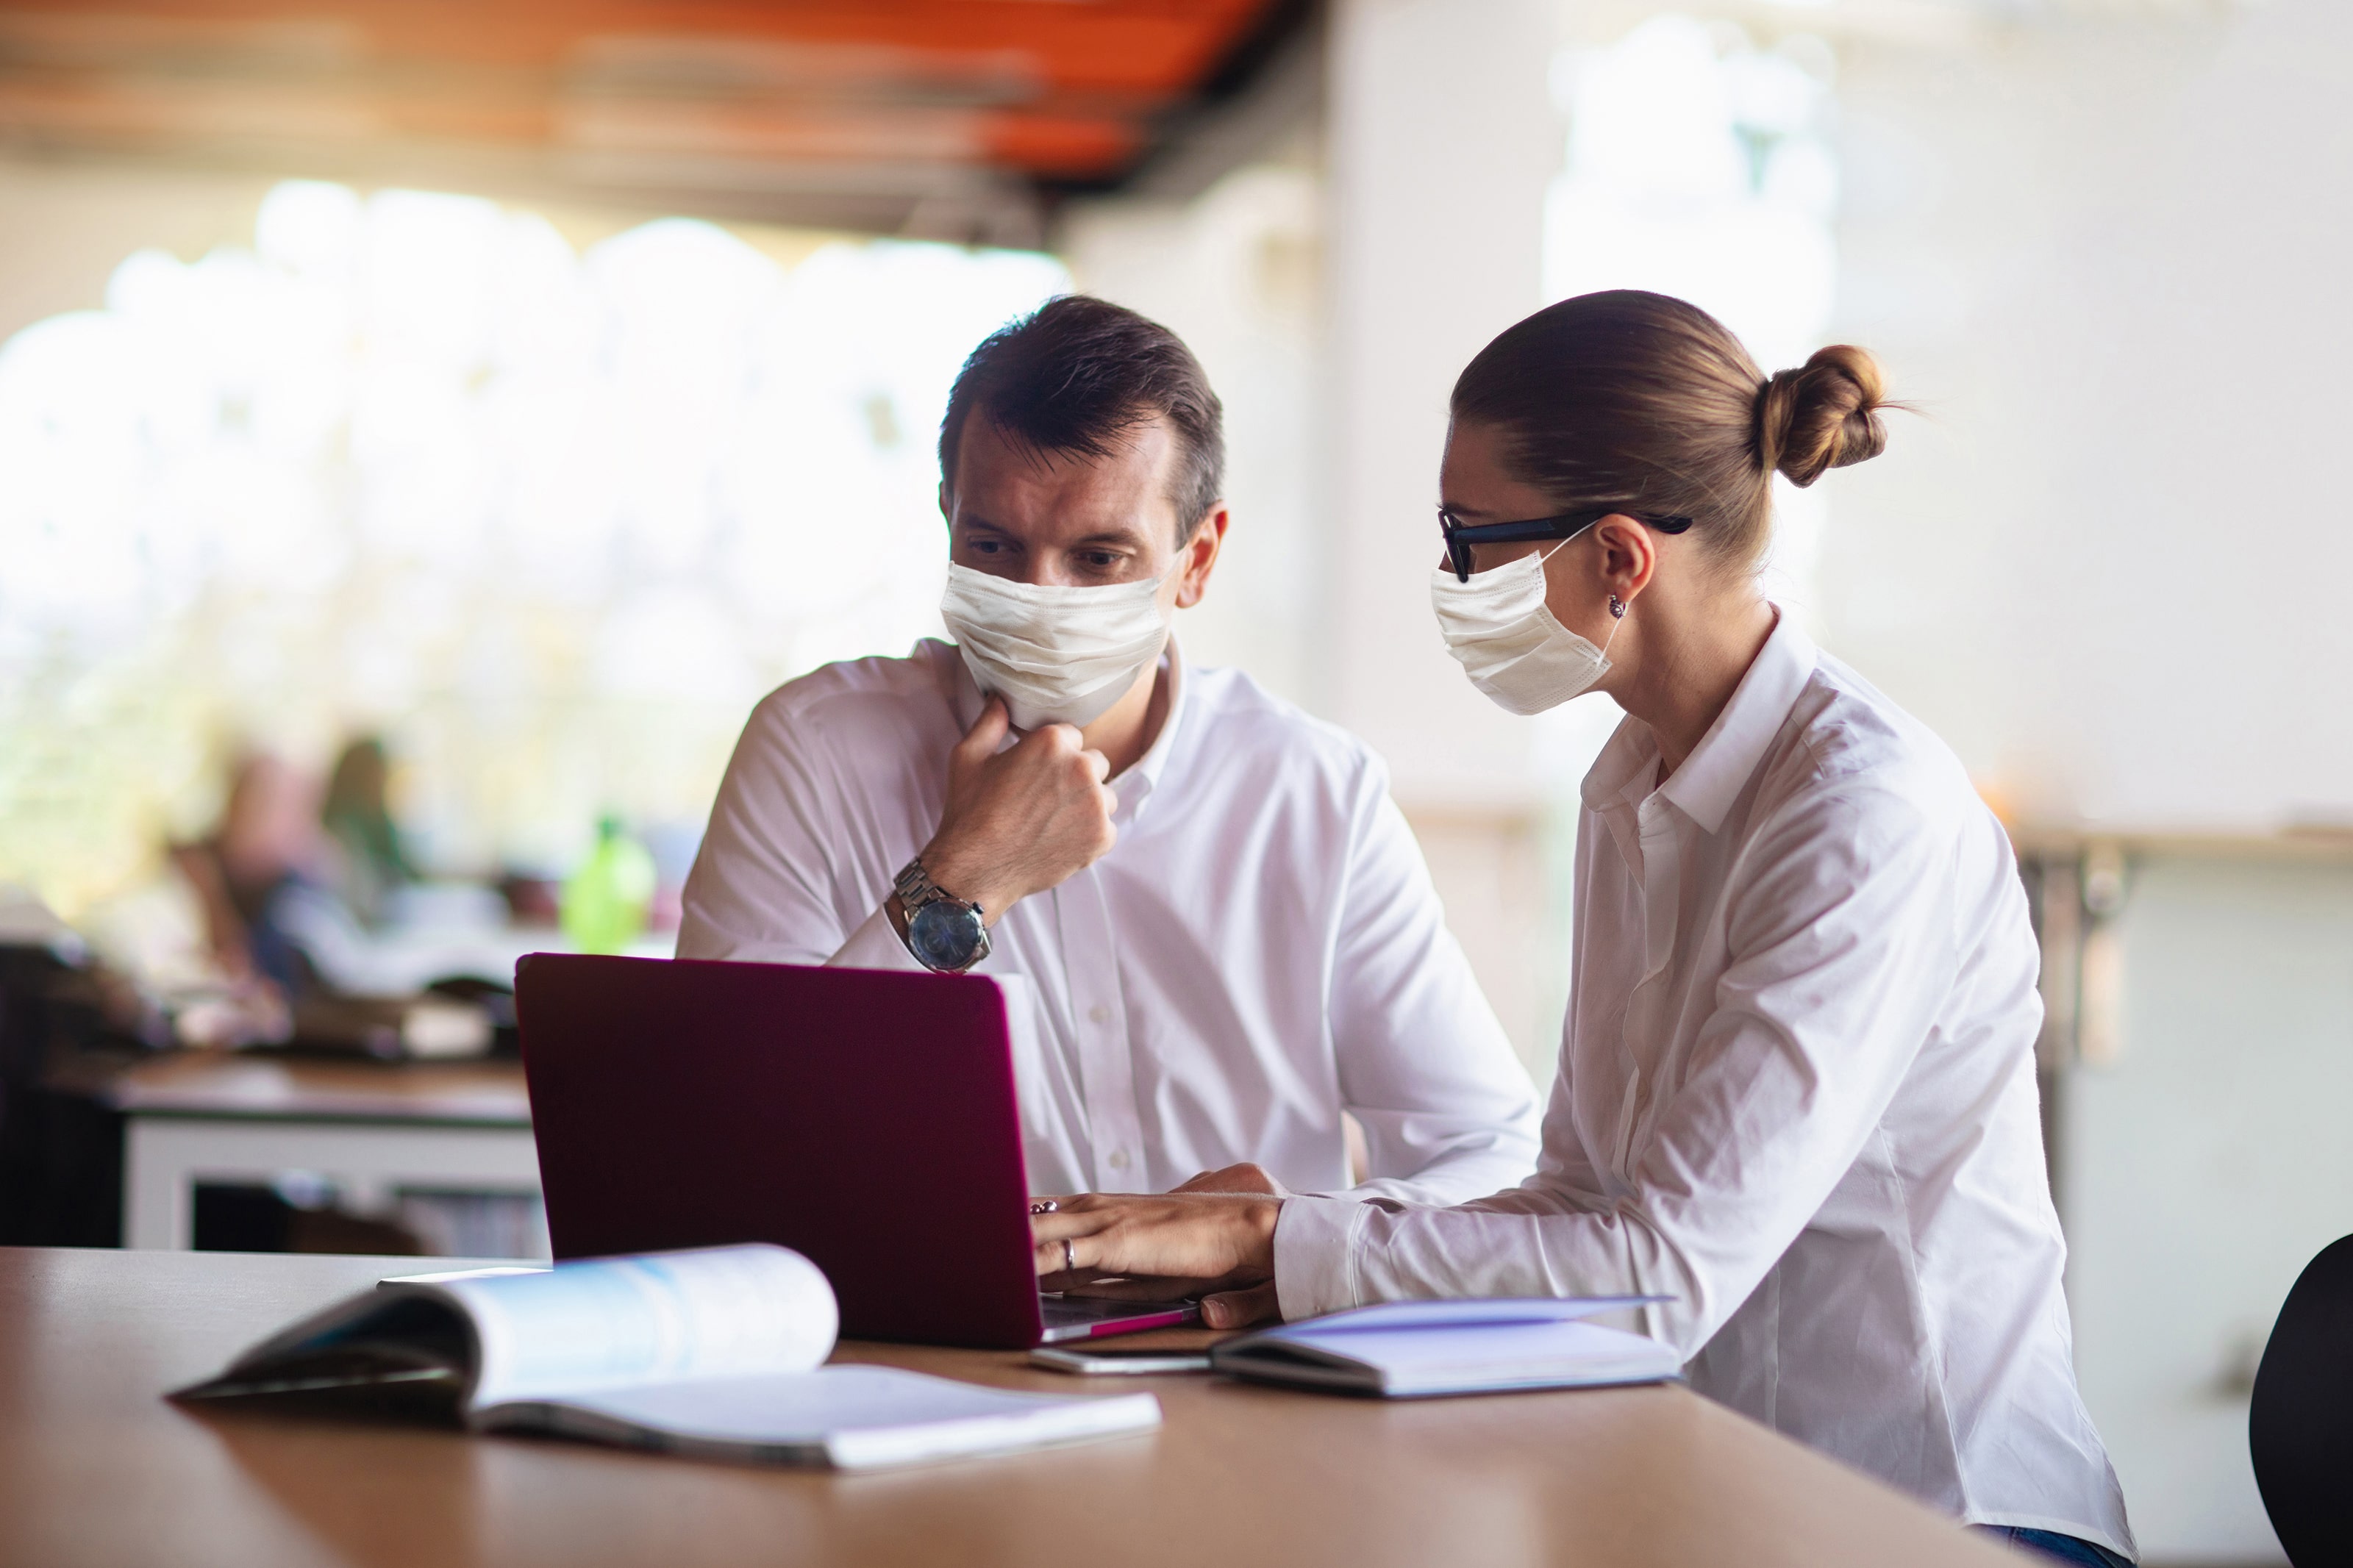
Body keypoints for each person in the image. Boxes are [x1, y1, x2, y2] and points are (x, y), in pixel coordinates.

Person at [1028, 291, 2136, 1567]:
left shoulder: (1862, 816)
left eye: (1468, 541)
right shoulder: (1633, 783)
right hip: (1724, 1498)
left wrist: (1280, 1243)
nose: (1451, 583)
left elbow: (1658, 1276)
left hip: (1946, 1519)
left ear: (1618, 559)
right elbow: (1577, 1196)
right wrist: (1282, 1240)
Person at [679, 295, 1540, 1203]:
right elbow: (720, 1152)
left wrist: (1282, 1241)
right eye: (993, 544)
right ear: (947, 522)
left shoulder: (1312, 793)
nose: (1038, 596)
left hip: (1253, 1304)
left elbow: (1489, 1157)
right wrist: (957, 885)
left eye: (1098, 559)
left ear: (1195, 560)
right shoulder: (815, 753)